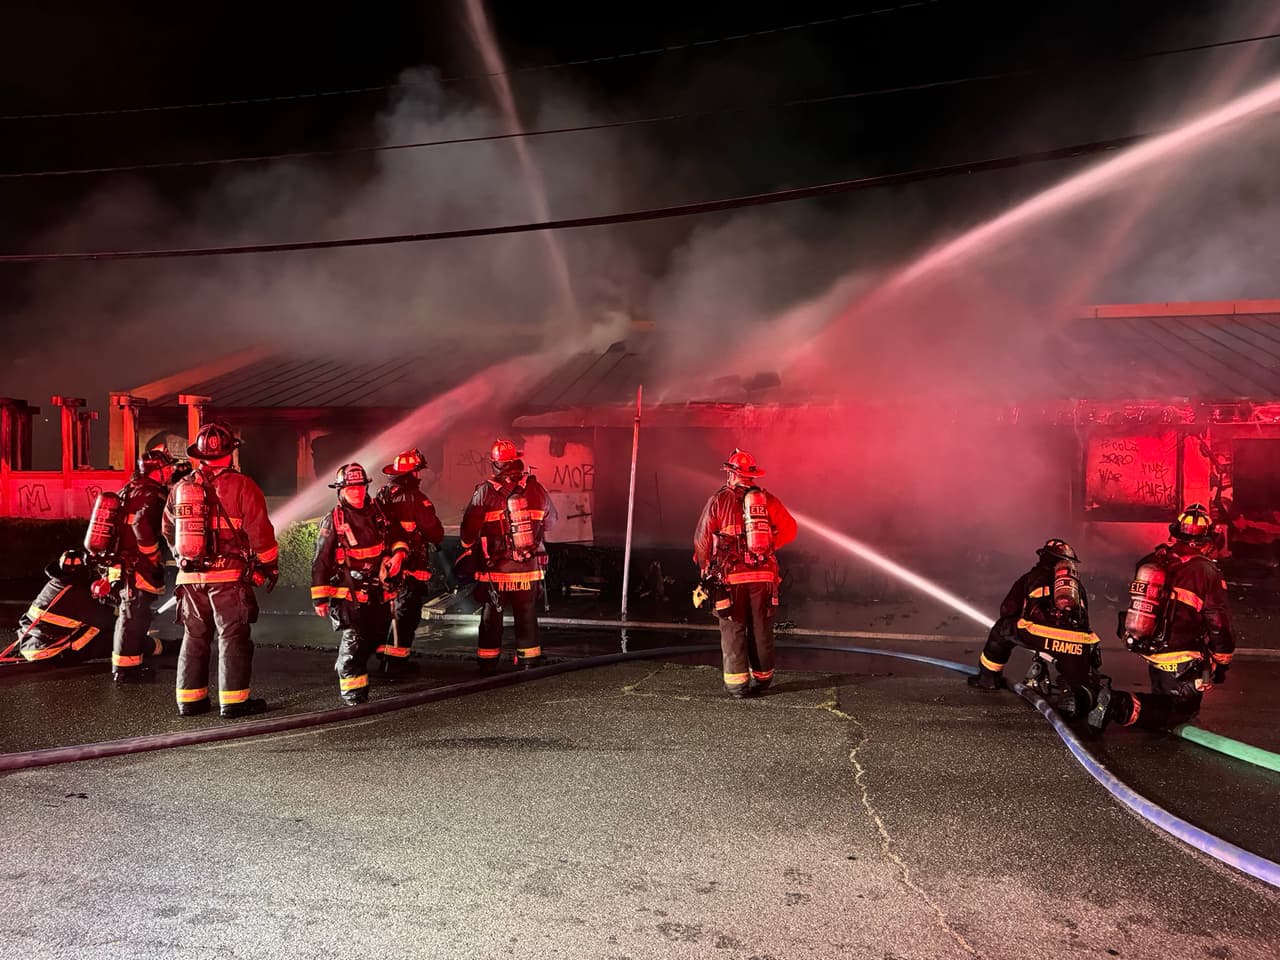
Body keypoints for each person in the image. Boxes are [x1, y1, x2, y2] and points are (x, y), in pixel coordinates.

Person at [163, 421, 278, 719]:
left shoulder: (180, 488)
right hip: (227, 579)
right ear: (229, 453)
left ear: (198, 455)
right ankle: (234, 703)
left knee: (195, 636)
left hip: (189, 579)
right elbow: (261, 534)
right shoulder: (243, 486)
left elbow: (167, 529)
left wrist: (184, 557)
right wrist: (269, 566)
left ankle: (189, 701)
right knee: (232, 637)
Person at [1089, 504, 1234, 732]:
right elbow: (1218, 621)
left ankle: (1107, 704)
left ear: (1175, 533)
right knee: (1180, 712)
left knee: (1161, 701)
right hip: (1181, 654)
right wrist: (1222, 660)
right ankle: (1118, 704)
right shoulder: (1207, 572)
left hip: (1149, 643)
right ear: (1208, 541)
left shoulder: (1154, 559)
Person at [693, 449, 797, 698]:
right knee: (761, 628)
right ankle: (763, 680)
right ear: (752, 475)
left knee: (733, 627)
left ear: (731, 474)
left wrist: (704, 566)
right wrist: (767, 547)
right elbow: (790, 529)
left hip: (731, 579)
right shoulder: (767, 500)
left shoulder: (719, 500)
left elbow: (702, 539)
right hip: (764, 577)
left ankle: (738, 685)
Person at [967, 539, 1102, 715]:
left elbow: (1007, 609)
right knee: (1080, 687)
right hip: (1078, 642)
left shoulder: (1032, 577)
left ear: (1044, 556)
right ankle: (1072, 694)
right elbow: (1084, 619)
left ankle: (988, 678)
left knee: (1002, 629)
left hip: (1037, 633)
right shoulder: (1077, 587)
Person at [459, 439, 556, 671]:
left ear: (495, 464)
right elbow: (551, 522)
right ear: (516, 461)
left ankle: (488, 663)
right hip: (528, 569)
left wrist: (469, 545)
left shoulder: (485, 492)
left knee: (492, 617)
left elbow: (468, 531)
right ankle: (529, 661)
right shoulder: (536, 488)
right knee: (526, 614)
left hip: (495, 571)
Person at [312, 463, 398, 704]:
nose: (357, 492)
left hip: (377, 591)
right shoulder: (334, 520)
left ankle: (349, 669)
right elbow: (320, 561)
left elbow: (394, 539)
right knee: (355, 640)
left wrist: (397, 555)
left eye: (360, 487)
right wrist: (319, 598)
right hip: (349, 593)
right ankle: (353, 694)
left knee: (376, 636)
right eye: (351, 488)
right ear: (341, 490)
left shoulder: (377, 512)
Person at [104, 444, 180, 683]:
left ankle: (130, 664)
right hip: (135, 565)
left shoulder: (131, 489)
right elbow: (140, 524)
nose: (170, 471)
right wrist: (152, 554)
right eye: (167, 468)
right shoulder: (152, 493)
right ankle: (125, 671)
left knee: (132, 615)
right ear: (156, 470)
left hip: (122, 564)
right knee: (133, 616)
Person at [374, 448, 445, 672]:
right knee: (407, 615)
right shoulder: (416, 498)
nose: (420, 476)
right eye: (417, 472)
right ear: (412, 474)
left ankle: (385, 658)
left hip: (385, 567)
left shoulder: (382, 494)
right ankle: (396, 664)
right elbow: (434, 532)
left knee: (389, 613)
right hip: (410, 566)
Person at [8, 550, 113, 663]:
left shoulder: (54, 583)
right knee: (111, 633)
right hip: (51, 650)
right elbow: (106, 620)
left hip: (30, 640)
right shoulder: (79, 592)